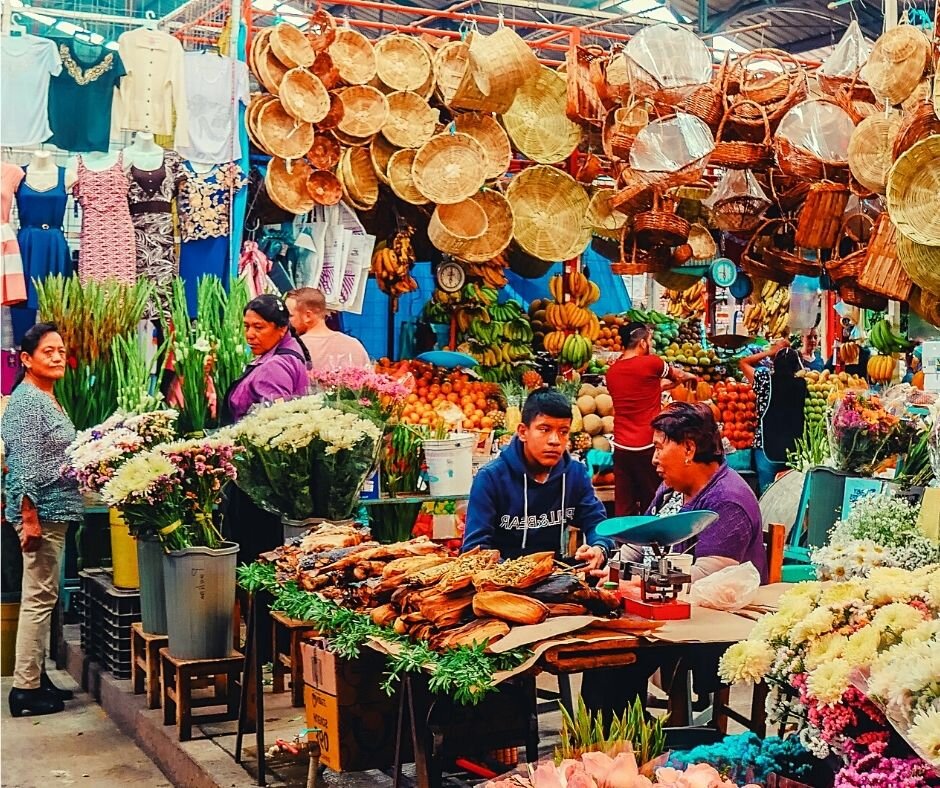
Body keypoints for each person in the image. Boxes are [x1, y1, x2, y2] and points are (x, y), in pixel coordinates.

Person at [580, 402, 767, 721]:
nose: (652, 459)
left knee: (613, 668)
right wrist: (610, 564)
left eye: (658, 448)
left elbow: (706, 577)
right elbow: (642, 540)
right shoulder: (671, 490)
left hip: (703, 623)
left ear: (689, 449)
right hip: (656, 608)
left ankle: (639, 746)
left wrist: (637, 581)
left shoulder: (728, 500)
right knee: (601, 657)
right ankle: (630, 741)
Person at [2, 324, 82, 717]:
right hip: (42, 513)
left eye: (60, 350)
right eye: (47, 351)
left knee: (44, 596)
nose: (56, 356)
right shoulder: (27, 402)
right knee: (37, 598)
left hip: (55, 510)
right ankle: (25, 690)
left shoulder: (45, 398)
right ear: (27, 359)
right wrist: (28, 518)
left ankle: (36, 675)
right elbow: (21, 468)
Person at [461, 389, 614, 569]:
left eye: (563, 432)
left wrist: (599, 548)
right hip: (499, 581)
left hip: (552, 576)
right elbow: (474, 549)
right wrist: (513, 573)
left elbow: (598, 523)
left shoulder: (575, 474)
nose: (555, 440)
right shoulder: (490, 478)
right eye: (544, 429)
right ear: (523, 432)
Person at [221, 294, 310, 561]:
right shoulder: (283, 355)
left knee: (256, 547)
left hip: (260, 479)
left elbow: (272, 425)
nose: (250, 334)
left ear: (281, 328)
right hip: (262, 476)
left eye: (259, 327)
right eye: (247, 326)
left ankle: (258, 603)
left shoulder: (276, 366)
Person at [605, 323, 697, 516]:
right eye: (650, 340)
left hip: (621, 447)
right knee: (652, 500)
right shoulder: (651, 363)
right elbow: (677, 375)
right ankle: (649, 544)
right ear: (642, 343)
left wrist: (659, 388)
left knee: (624, 504)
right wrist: (689, 376)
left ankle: (623, 545)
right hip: (647, 446)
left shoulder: (612, 372)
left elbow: (637, 392)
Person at [741, 339, 808, 494]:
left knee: (767, 495)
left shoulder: (764, 381)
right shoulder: (803, 384)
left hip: (766, 448)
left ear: (774, 364)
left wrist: (771, 352)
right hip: (793, 451)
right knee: (788, 497)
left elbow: (744, 363)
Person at [284, 287, 370, 373]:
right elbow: (371, 382)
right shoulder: (355, 346)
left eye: (290, 316)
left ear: (308, 316)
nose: (285, 321)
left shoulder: (293, 349)